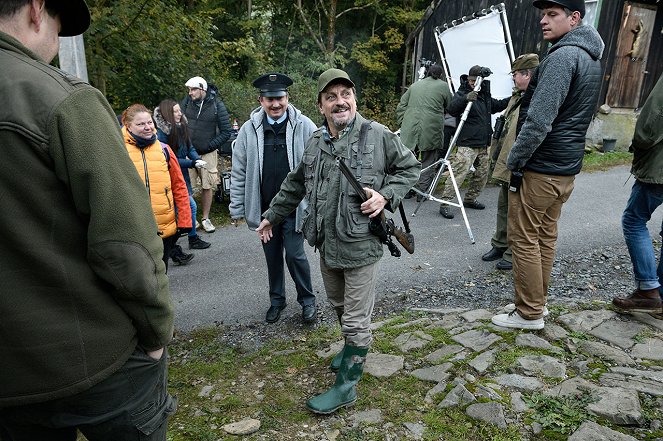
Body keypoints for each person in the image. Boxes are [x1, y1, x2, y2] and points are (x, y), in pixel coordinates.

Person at [0, 1, 177, 439]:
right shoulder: (60, 99)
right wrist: (156, 333)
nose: (57, 46)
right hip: (93, 362)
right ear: (38, 9)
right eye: (60, 28)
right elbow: (125, 243)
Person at [256, 68, 420, 414]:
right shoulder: (316, 141)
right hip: (327, 244)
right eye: (331, 97)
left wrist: (385, 196)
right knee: (339, 307)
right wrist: (273, 214)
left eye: (345, 94)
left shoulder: (377, 135)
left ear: (354, 99)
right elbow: (295, 182)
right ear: (320, 105)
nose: (339, 102)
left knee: (357, 320)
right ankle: (349, 350)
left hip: (361, 244)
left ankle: (346, 386)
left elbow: (410, 169)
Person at [491, 0, 604, 330]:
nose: (543, 20)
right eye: (542, 14)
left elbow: (539, 121)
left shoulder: (564, 56)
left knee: (524, 238)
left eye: (552, 14)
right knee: (544, 237)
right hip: (565, 168)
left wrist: (515, 160)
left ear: (574, 18)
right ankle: (536, 303)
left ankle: (528, 313)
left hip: (541, 168)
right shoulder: (591, 57)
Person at [230, 72, 318, 324]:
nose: (275, 104)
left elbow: (319, 166)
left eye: (279, 98)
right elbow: (239, 171)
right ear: (261, 101)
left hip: (295, 208)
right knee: (272, 258)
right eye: (270, 99)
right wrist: (238, 208)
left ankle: (307, 300)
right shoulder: (248, 130)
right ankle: (276, 300)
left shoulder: (305, 126)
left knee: (294, 254)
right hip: (265, 211)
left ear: (287, 97)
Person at [482, 54, 539, 271]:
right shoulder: (518, 97)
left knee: (517, 211)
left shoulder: (536, 98)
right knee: (504, 206)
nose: (513, 78)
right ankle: (500, 243)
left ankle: (512, 251)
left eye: (515, 74)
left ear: (527, 75)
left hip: (521, 164)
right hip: (507, 161)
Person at [611, 73, 663, 313]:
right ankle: (659, 295)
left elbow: (652, 118)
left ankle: (648, 290)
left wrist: (639, 144)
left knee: (634, 220)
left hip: (659, 166)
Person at [122, 104, 193, 270]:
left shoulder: (164, 149)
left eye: (149, 123)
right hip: (134, 230)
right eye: (141, 124)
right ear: (128, 126)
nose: (147, 127)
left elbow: (179, 187)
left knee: (161, 275)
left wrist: (184, 219)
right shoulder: (119, 151)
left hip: (164, 227)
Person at [438, 65, 509, 219]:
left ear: (481, 80)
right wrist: (466, 97)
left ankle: (470, 199)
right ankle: (445, 203)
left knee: (482, 173)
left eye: (475, 80)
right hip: (467, 142)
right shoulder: (463, 91)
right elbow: (452, 108)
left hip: (483, 142)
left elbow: (497, 105)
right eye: (470, 80)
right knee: (459, 173)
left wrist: (513, 98)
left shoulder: (484, 95)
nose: (472, 82)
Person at [155, 98, 212, 264]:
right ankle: (174, 246)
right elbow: (169, 160)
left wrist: (196, 159)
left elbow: (190, 147)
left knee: (187, 209)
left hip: (182, 176)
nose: (179, 114)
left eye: (179, 110)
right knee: (188, 208)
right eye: (175, 111)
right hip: (169, 177)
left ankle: (184, 242)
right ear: (167, 114)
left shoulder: (181, 127)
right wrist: (192, 163)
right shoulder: (161, 134)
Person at [181, 75, 232, 233]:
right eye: (189, 90)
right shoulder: (187, 102)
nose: (190, 93)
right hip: (188, 152)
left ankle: (205, 218)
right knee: (186, 185)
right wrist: (184, 144)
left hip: (207, 153)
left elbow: (226, 131)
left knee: (207, 185)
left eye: (193, 89)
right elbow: (178, 122)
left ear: (202, 89)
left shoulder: (217, 104)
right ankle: (191, 217)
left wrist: (210, 145)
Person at [396, 64, 452, 201]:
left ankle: (408, 190)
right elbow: (450, 106)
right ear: (440, 75)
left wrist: (403, 123)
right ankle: (422, 193)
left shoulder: (415, 85)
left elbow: (401, 105)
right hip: (431, 129)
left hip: (410, 128)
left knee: (409, 160)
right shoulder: (443, 86)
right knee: (428, 160)